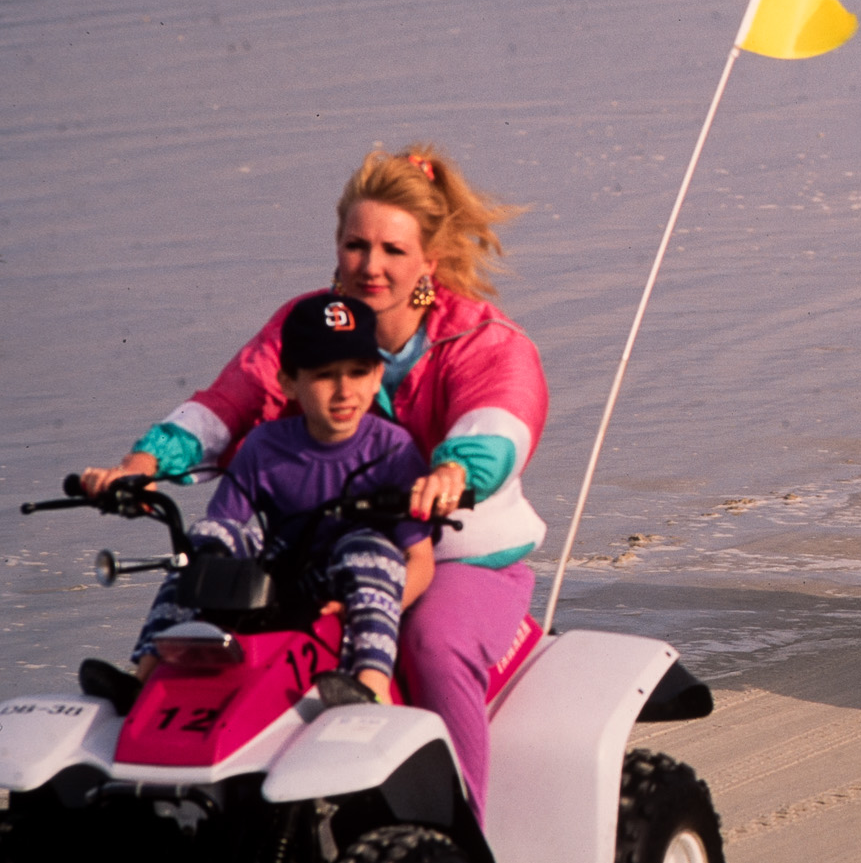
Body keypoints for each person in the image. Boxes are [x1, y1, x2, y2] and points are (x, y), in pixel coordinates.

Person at [81, 145, 548, 815]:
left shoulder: (478, 338)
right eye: (357, 244)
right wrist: (144, 464)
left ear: (429, 259)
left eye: (392, 248)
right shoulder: (306, 327)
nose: (371, 265)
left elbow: (502, 412)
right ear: (337, 245)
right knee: (224, 602)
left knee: (432, 644)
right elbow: (232, 399)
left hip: (450, 558)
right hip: (327, 553)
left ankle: (465, 839)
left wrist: (454, 470)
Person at [114, 294, 434, 707]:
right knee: (205, 537)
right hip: (283, 577)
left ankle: (371, 686)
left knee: (367, 545)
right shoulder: (265, 445)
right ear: (288, 383)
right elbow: (223, 531)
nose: (343, 391)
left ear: (377, 376)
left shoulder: (394, 449)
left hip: (354, 584)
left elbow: (420, 560)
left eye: (358, 372)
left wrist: (368, 604)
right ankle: (147, 674)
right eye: (323, 375)